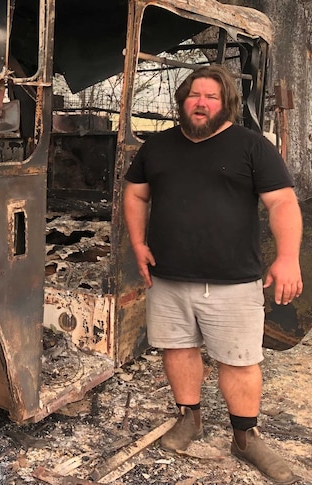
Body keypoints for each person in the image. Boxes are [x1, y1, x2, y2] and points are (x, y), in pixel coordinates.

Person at [123, 64, 302, 484]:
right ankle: (189, 418)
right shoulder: (157, 147)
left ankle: (246, 436)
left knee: (239, 361)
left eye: (211, 97)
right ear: (182, 101)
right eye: (194, 95)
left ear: (227, 105)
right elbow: (134, 192)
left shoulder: (252, 147)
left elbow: (282, 204)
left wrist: (288, 257)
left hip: (234, 279)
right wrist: (137, 243)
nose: (201, 103)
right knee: (177, 349)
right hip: (168, 277)